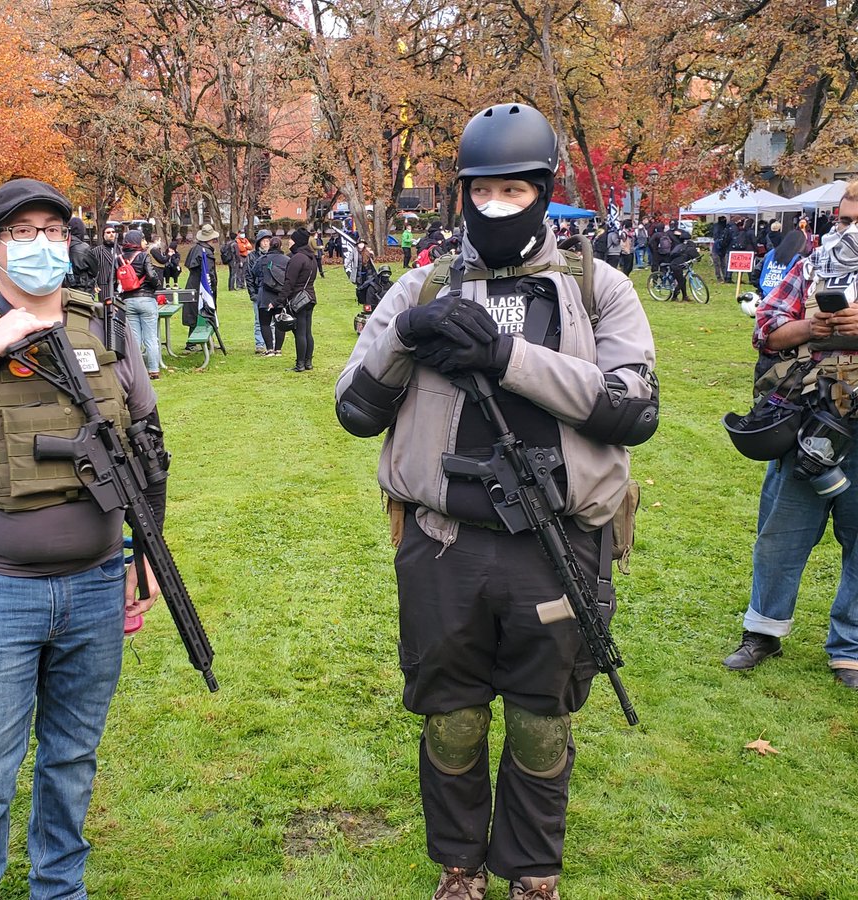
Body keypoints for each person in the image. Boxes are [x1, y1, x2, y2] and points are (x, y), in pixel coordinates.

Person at [335, 103, 657, 900]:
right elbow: (354, 408)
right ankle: (458, 864)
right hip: (445, 542)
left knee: (543, 718)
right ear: (460, 195)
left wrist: (509, 355)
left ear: (546, 193)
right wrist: (406, 332)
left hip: (558, 542)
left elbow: (633, 409)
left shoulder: (597, 286)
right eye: (484, 192)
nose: (498, 206)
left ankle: (533, 869)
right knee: (452, 714)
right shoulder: (423, 283)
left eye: (517, 191)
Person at [0, 177, 167, 899]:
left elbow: (148, 448)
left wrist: (146, 559)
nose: (41, 244)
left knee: (72, 758)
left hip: (96, 582)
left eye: (52, 230)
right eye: (22, 232)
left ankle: (59, 889)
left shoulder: (104, 328)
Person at [723, 179, 858, 690]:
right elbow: (767, 329)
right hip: (809, 419)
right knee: (781, 534)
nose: (849, 232)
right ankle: (763, 631)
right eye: (844, 221)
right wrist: (813, 326)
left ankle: (849, 648)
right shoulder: (814, 264)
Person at [118, 228, 164, 379]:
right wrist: (157, 284)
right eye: (143, 239)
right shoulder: (144, 256)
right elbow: (151, 275)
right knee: (151, 337)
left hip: (128, 300)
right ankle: (153, 369)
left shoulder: (119, 258)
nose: (145, 242)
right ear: (137, 241)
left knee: (135, 338)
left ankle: (137, 371)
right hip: (146, 299)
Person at [281, 228, 318, 372]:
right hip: (309, 297)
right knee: (307, 332)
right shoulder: (311, 257)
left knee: (300, 332)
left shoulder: (297, 258)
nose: (289, 241)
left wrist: (280, 300)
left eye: (291, 239)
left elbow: (289, 282)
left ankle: (300, 364)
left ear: (297, 241)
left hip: (299, 299)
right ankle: (308, 362)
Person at [184, 224, 219, 345]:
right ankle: (194, 342)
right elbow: (209, 273)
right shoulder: (205, 252)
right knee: (204, 311)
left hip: (193, 284)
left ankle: (197, 341)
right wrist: (212, 286)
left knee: (195, 313)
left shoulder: (195, 249)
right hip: (202, 287)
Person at [256, 236, 289, 356]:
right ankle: (278, 349)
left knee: (264, 323)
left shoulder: (262, 259)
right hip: (280, 295)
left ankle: (269, 349)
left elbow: (254, 272)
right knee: (280, 321)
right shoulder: (286, 260)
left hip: (265, 294)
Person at [756, 228, 806, 299]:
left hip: (765, 294)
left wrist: (761, 288)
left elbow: (755, 273)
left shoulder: (770, 254)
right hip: (786, 297)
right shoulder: (798, 260)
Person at [245, 229, 273, 353]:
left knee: (271, 320)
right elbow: (249, 276)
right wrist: (252, 294)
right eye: (264, 241)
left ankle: (271, 343)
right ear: (259, 243)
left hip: (271, 292)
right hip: (258, 292)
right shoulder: (252, 257)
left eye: (268, 241)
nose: (266, 244)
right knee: (258, 320)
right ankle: (259, 344)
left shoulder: (273, 256)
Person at [65, 217, 99, 294]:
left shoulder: (61, 245)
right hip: (83, 291)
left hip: (64, 290)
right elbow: (94, 270)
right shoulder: (84, 248)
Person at [666, 229, 699, 302]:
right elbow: (696, 255)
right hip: (677, 265)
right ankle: (674, 296)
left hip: (677, 264)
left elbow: (672, 255)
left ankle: (685, 297)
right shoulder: (689, 246)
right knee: (682, 281)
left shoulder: (679, 246)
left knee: (682, 280)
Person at [94, 224, 117, 302]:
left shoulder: (121, 250)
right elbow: (93, 269)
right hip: (104, 286)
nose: (111, 234)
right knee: (106, 311)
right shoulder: (97, 251)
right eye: (108, 232)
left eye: (113, 232)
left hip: (120, 286)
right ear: (103, 235)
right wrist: (95, 284)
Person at [712, 216, 731, 283]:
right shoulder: (723, 227)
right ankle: (720, 277)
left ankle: (723, 277)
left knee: (722, 264)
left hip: (721, 248)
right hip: (718, 248)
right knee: (719, 264)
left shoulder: (723, 227)